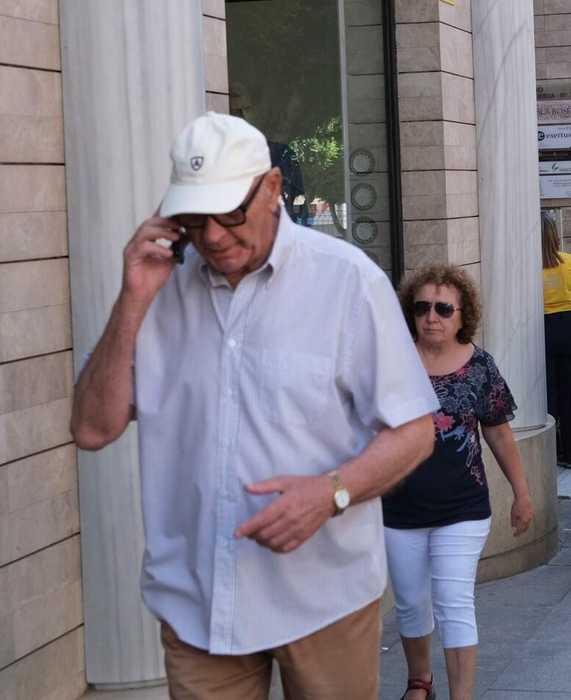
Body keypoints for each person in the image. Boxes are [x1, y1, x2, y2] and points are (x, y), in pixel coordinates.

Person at [71, 112, 438, 700]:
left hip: (322, 599)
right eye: (194, 219)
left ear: (271, 190)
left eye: (230, 212)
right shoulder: (158, 292)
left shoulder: (347, 283)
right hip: (197, 603)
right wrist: (133, 298)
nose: (212, 236)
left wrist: (331, 492)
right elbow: (91, 428)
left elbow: (416, 430)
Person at [387, 265, 533, 700]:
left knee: (453, 603)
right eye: (422, 307)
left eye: (443, 308)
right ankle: (419, 681)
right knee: (411, 603)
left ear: (462, 313)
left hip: (462, 507)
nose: (432, 316)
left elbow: (498, 431)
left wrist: (522, 493)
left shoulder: (479, 364)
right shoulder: (390, 360)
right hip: (397, 507)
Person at [542, 214, 571, 469]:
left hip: (541, 328)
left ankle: (548, 450)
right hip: (569, 327)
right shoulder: (570, 261)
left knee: (547, 392)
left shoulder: (528, 265)